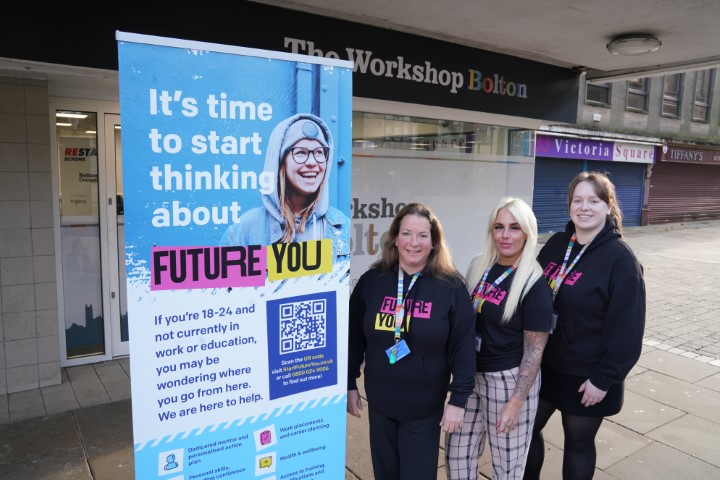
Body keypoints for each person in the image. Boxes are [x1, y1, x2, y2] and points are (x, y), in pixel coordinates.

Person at [523, 171, 646, 480]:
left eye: (593, 200)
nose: (584, 207)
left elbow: (628, 329)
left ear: (608, 206)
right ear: (569, 206)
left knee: (577, 442)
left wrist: (604, 379)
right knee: (526, 430)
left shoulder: (621, 261)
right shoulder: (557, 244)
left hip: (587, 374)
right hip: (546, 365)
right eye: (577, 200)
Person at [347, 202, 476, 480]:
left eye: (422, 235)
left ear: (434, 242)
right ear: (395, 238)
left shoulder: (450, 286)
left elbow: (463, 347)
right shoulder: (372, 281)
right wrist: (349, 382)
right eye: (406, 234)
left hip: (423, 408)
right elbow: (353, 335)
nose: (413, 243)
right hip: (380, 403)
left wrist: (458, 399)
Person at [445, 197, 553, 480]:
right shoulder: (479, 265)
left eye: (514, 228)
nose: (505, 235)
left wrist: (516, 402)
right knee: (457, 459)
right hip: (470, 375)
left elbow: (534, 350)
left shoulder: (534, 283)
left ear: (527, 233)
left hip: (508, 381)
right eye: (499, 227)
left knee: (507, 469)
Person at [219, 113, 350, 262]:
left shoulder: (342, 226)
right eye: (301, 152)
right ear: (280, 162)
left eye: (319, 152)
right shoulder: (245, 231)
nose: (312, 162)